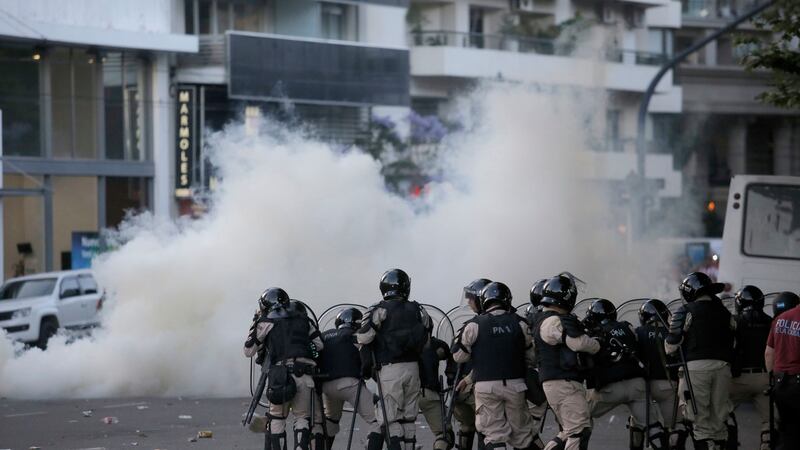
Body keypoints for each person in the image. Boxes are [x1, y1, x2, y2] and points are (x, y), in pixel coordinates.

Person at [452, 281, 543, 450]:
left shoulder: (475, 324)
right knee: (522, 436)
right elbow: (532, 356)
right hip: (516, 386)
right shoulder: (520, 323)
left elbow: (459, 356)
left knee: (493, 435)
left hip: (486, 388)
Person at [356, 268, 432, 450]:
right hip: (414, 369)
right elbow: (427, 342)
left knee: (389, 419)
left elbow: (364, 337)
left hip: (390, 370)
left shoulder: (379, 309)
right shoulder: (418, 309)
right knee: (408, 419)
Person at [244, 287, 324, 450]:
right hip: (305, 373)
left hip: (281, 375)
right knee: (302, 417)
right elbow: (319, 345)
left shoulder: (267, 321)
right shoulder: (303, 319)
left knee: (277, 418)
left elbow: (249, 350)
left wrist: (255, 323)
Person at [665, 272, 736, 450]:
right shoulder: (724, 311)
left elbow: (672, 346)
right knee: (719, 420)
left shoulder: (685, 310)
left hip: (696, 369)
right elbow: (734, 339)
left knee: (699, 420)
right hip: (723, 368)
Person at [532, 274, 601, 450]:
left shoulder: (546, 318)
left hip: (560, 382)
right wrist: (596, 344)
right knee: (579, 431)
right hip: (563, 383)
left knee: (569, 432)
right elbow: (578, 343)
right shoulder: (552, 320)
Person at [583, 298, 651, 450]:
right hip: (637, 385)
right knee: (653, 426)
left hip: (609, 389)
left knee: (579, 419)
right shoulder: (628, 327)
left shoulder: (592, 334)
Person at [317, 308, 383, 450]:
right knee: (379, 419)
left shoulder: (324, 336)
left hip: (326, 386)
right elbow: (367, 363)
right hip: (350, 384)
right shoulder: (356, 335)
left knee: (331, 421)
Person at [636, 299, 686, 450]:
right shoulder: (671, 334)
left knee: (638, 423)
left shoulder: (638, 332)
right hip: (669, 386)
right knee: (675, 425)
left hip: (643, 387)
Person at [729, 286, 773, 450]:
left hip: (737, 379)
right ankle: (767, 442)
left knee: (721, 413)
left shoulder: (735, 321)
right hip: (764, 378)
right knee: (770, 420)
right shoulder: (771, 322)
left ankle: (727, 441)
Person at [451, 278, 492, 450]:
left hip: (478, 384)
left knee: (485, 428)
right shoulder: (477, 324)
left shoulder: (478, 325)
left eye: (472, 298)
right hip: (468, 385)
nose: (468, 302)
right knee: (471, 426)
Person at [765, 291, 800, 450]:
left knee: (786, 429)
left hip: (781, 382)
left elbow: (769, 353)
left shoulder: (780, 319)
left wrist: (772, 377)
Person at [418, 332, 455, 450]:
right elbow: (450, 354)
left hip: (402, 393)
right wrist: (450, 378)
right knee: (444, 434)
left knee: (397, 431)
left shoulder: (397, 342)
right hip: (428, 392)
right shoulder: (435, 344)